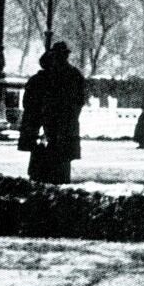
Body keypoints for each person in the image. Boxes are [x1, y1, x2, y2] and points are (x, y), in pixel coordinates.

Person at [19, 42, 86, 184]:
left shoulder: (40, 79)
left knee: (40, 172)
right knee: (60, 171)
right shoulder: (74, 76)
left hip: (45, 129)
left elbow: (30, 107)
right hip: (63, 131)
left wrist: (32, 130)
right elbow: (78, 103)